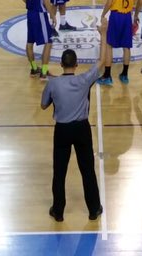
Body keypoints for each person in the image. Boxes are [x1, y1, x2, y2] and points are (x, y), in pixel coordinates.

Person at [40, 24, 107, 223]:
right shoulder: (84, 80)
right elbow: (102, 61)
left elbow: (43, 106)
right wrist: (103, 34)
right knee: (87, 170)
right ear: (76, 65)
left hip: (62, 130)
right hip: (81, 129)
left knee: (59, 172)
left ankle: (58, 211)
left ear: (61, 65)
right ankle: (94, 209)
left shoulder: (53, 83)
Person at [99, 0, 135, 85]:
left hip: (116, 16)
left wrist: (103, 14)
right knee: (126, 47)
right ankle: (125, 75)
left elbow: (109, 2)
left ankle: (107, 76)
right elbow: (133, 1)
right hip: (127, 17)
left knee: (109, 45)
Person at [24, 0, 55, 79]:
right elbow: (47, 3)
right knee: (48, 42)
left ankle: (33, 69)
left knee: (30, 43)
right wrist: (52, 15)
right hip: (39, 15)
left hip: (30, 14)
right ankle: (44, 72)